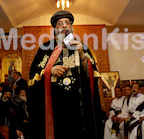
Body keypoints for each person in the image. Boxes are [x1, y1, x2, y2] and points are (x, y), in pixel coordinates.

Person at [28, 11, 102, 139]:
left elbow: (92, 75)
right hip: (54, 106)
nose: (64, 26)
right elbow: (33, 78)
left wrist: (82, 54)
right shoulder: (45, 48)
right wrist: (49, 70)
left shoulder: (81, 46)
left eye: (67, 23)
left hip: (78, 107)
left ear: (71, 27)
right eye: (60, 23)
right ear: (55, 29)